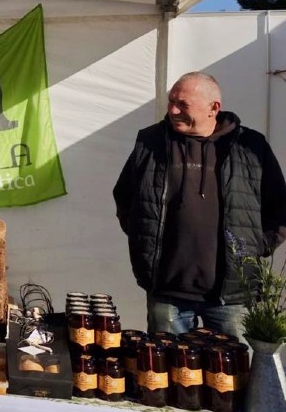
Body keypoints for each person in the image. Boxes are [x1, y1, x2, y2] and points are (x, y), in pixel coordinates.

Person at [113, 71, 286, 337]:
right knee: (166, 373)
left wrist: (255, 245)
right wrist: (141, 236)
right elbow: (124, 196)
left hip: (232, 296)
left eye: (183, 104)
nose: (172, 110)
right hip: (167, 292)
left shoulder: (251, 146)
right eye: (171, 101)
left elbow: (280, 207)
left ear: (213, 108)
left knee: (232, 376)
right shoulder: (151, 141)